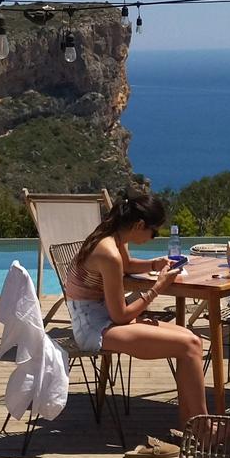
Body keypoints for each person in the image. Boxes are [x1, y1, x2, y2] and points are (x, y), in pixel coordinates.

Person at [64, 188, 207, 441]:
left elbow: (127, 265)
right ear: (140, 224)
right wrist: (157, 288)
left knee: (191, 340)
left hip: (102, 315)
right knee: (189, 344)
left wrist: (155, 264)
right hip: (94, 328)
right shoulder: (108, 252)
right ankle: (203, 431)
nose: (154, 237)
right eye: (153, 231)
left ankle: (192, 426)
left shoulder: (114, 236)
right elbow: (120, 316)